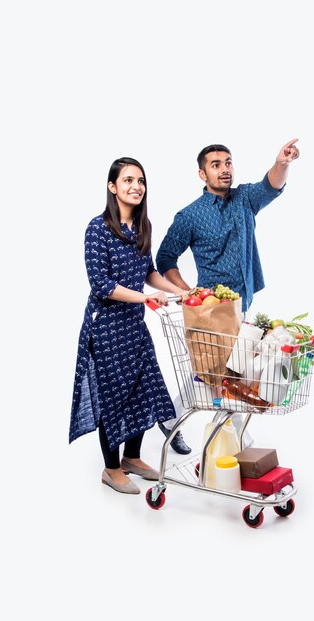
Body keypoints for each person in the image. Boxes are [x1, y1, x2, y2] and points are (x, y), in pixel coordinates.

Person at [155, 139, 300, 449]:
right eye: (216, 165)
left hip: (244, 302)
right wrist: (185, 291)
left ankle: (170, 417)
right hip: (211, 311)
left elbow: (270, 185)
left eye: (228, 163)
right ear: (202, 174)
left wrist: (283, 163)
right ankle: (242, 443)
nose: (224, 169)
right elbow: (165, 258)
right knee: (226, 374)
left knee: (214, 372)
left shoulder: (245, 198)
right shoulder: (189, 216)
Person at [69, 157, 188, 494]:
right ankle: (111, 468)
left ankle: (132, 458)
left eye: (141, 181)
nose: (136, 187)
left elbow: (149, 272)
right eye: (128, 181)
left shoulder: (142, 227)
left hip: (135, 326)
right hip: (106, 327)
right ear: (113, 187)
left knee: (145, 389)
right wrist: (146, 298)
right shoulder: (98, 228)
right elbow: (101, 285)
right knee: (114, 397)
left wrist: (179, 290)